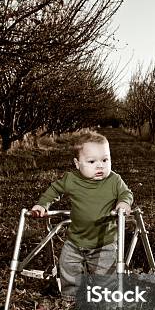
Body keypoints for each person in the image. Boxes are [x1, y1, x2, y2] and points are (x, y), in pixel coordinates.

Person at [31, 129, 133, 301]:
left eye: (105, 160)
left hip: (104, 242)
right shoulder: (71, 179)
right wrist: (42, 205)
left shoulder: (114, 180)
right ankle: (71, 296)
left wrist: (123, 203)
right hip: (75, 240)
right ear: (77, 163)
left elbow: (126, 193)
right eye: (92, 161)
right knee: (68, 267)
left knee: (105, 274)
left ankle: (105, 298)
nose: (100, 165)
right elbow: (54, 189)